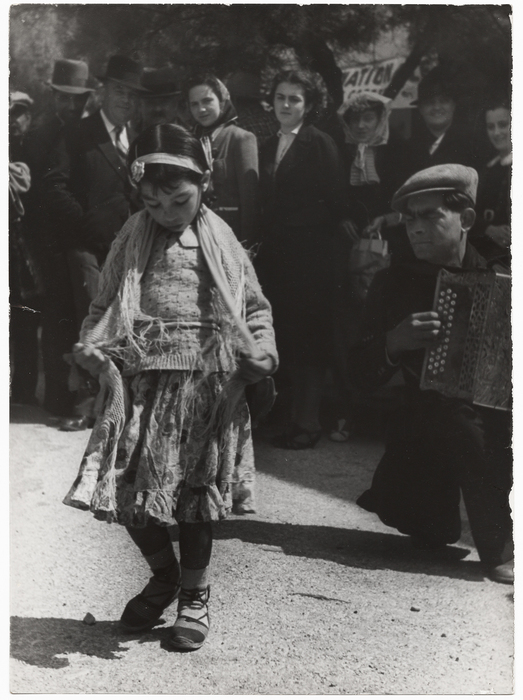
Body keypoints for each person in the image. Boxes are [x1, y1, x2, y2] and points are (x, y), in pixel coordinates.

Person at [63, 124, 277, 650]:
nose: (166, 213)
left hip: (206, 387)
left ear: (204, 183)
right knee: (129, 492)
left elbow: (254, 309)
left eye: (179, 200)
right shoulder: (132, 236)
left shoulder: (221, 240)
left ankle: (194, 596)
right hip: (141, 384)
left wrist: (263, 351)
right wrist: (92, 345)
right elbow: (104, 304)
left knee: (194, 501)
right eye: (153, 203)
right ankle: (164, 576)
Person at [350, 164, 512, 585]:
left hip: (503, 423)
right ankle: (434, 514)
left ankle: (499, 548)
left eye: (430, 216)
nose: (416, 228)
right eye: (409, 219)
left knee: (470, 424)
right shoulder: (392, 283)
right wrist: (393, 342)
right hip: (425, 427)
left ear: (467, 219)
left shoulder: (503, 274)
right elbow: (359, 375)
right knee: (429, 528)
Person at [42, 55, 146, 430]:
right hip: (84, 247)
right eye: (120, 91)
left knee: (121, 320)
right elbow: (54, 187)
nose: (126, 100)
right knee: (91, 317)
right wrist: (86, 227)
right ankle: (84, 402)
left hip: (126, 250)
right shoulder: (77, 133)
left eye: (133, 94)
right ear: (103, 92)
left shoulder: (138, 138)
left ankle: (115, 400)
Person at [258, 69, 352, 449]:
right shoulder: (268, 145)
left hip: (311, 258)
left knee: (309, 338)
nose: (286, 104)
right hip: (277, 257)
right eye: (280, 97)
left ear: (308, 105)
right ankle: (285, 418)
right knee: (284, 335)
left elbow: (337, 202)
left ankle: (307, 423)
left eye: (294, 99)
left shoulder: (319, 143)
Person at [23, 59, 95, 420]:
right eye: (64, 97)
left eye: (77, 99)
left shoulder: (84, 130)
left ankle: (78, 395)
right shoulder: (41, 133)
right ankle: (56, 397)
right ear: (53, 96)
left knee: (79, 315)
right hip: (48, 240)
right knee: (57, 317)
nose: (71, 105)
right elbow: (43, 194)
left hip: (74, 239)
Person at [186, 74, 259, 248]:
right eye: (194, 104)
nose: (201, 109)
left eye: (207, 101)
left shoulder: (240, 138)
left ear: (222, 102)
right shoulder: (191, 141)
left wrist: (247, 249)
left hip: (230, 237)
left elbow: (250, 203)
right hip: (197, 237)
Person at [9, 91, 40, 407]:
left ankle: (24, 391)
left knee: (26, 317)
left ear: (28, 117)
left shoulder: (34, 148)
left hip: (27, 248)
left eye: (17, 113)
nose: (12, 120)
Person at [470, 98, 511, 265]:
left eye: (503, 125)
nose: (497, 132)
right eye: (491, 127)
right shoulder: (488, 169)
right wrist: (488, 229)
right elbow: (472, 212)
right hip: (488, 256)